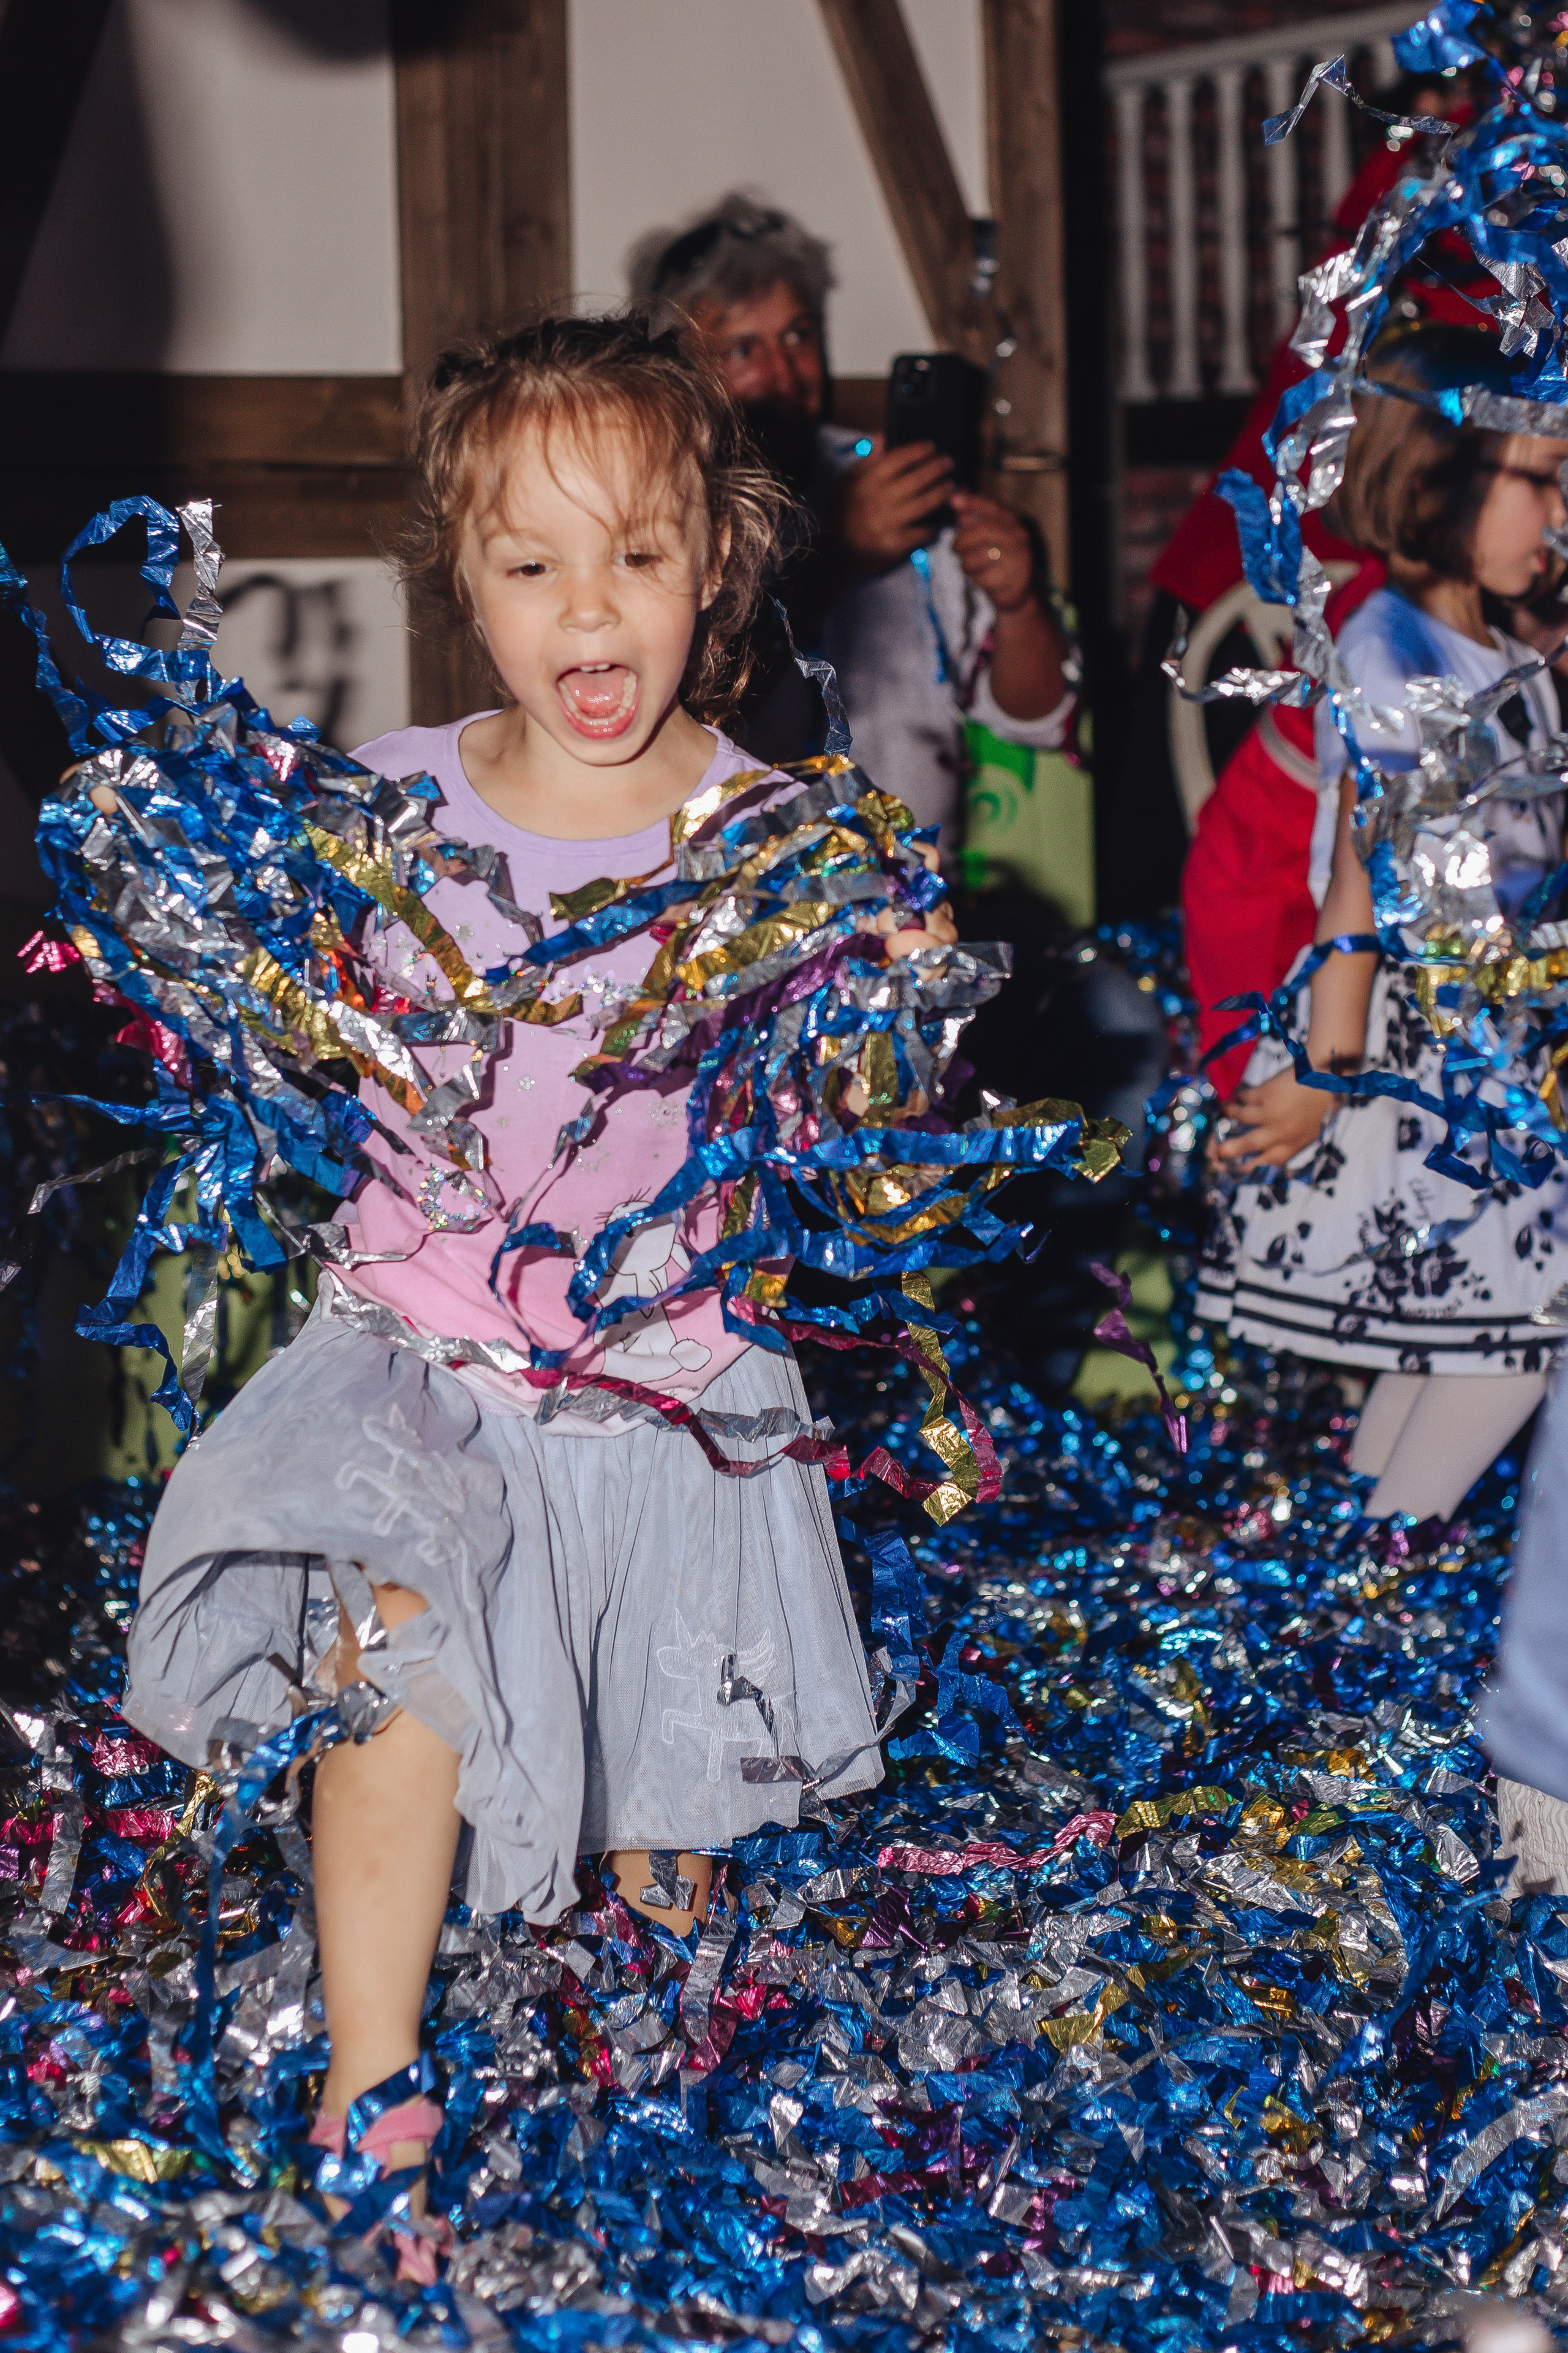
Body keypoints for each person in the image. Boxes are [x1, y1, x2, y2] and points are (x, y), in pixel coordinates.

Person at [121, 315, 961, 2275]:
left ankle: (649, 2110)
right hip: (422, 1362)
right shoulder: (387, 810)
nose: (590, 609)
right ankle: (373, 2096)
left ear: (716, 561)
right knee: (399, 1672)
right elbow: (289, 1037)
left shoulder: (768, 838)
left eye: (637, 556)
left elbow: (849, 1129)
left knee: (662, 1825)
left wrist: (891, 1029)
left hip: (665, 1384)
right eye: (533, 563)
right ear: (466, 579)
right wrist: (238, 975)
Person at [1197, 322, 1568, 1524]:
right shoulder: (1391, 654)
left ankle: (1360, 1561)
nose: (1561, 509)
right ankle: (1382, 1562)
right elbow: (1361, 882)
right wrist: (1324, 1065)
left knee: (1454, 1331)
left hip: (1494, 1033)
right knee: (1514, 1337)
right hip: (1436, 1052)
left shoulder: (1490, 643)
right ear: (1435, 483)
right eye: (1539, 479)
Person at [626, 192, 1076, 855]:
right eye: (742, 349)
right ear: (681, 369)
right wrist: (834, 557)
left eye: (798, 336)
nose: (783, 373)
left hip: (915, 886)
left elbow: (1039, 719)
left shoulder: (890, 479)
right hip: (733, 889)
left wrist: (1018, 605)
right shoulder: (657, 510)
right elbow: (679, 720)